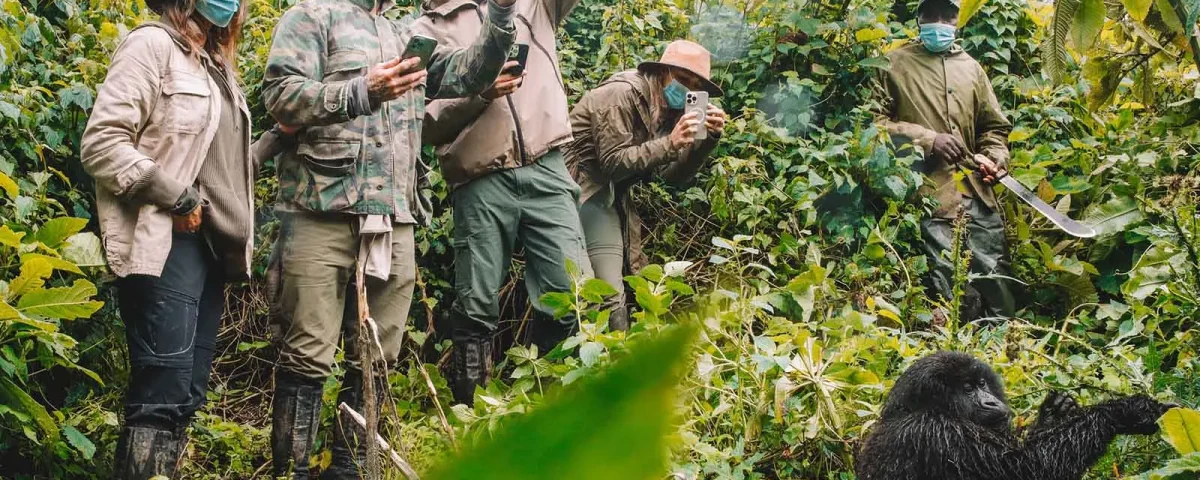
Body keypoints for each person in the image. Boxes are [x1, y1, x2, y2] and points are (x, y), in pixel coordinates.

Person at [261, 0, 516, 476]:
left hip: (395, 219)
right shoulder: (313, 15)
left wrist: (500, 14)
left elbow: (472, 74)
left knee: (378, 358)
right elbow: (280, 95)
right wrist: (361, 90)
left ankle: (350, 472)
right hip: (322, 211)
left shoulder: (406, 34)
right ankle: (290, 473)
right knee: (306, 357)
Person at [79, 0, 252, 477]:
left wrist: (279, 138)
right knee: (161, 394)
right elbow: (102, 143)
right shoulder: (151, 45)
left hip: (210, 250)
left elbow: (218, 170)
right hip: (164, 244)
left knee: (186, 396)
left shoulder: (215, 66)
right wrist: (177, 198)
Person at [419, 0, 588, 406]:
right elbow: (425, 123)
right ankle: (474, 421)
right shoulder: (426, 29)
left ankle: (557, 414)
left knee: (572, 295)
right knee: (476, 306)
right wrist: (480, 93)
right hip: (478, 176)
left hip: (546, 165)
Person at [564, 40, 727, 331]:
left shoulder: (671, 112)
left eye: (696, 85)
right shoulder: (621, 94)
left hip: (605, 196)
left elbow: (670, 178)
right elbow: (612, 162)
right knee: (582, 295)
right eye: (683, 78)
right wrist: (670, 143)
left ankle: (615, 364)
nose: (688, 89)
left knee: (612, 295)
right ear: (664, 71)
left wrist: (705, 143)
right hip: (569, 190)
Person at [873, 0, 1016, 321]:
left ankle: (1007, 349)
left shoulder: (972, 68)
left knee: (996, 273)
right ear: (919, 17)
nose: (939, 22)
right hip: (930, 193)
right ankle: (956, 355)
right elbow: (873, 125)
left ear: (958, 19)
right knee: (947, 281)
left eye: (947, 15)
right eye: (931, 14)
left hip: (976, 189)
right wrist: (928, 139)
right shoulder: (894, 64)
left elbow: (994, 128)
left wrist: (995, 158)